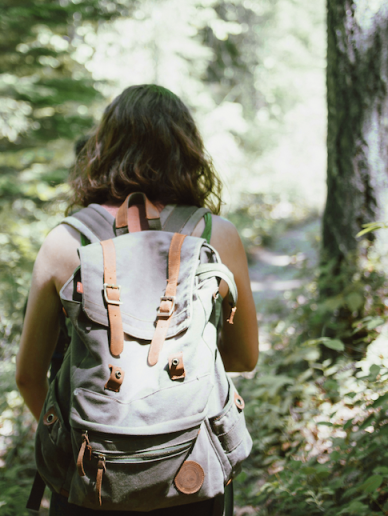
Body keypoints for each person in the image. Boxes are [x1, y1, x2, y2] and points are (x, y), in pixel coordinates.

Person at [16, 84, 259, 515]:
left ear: (103, 148)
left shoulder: (64, 241)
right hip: (191, 474)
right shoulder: (216, 235)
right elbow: (243, 358)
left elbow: (28, 377)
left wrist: (85, 443)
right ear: (186, 150)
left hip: (90, 477)